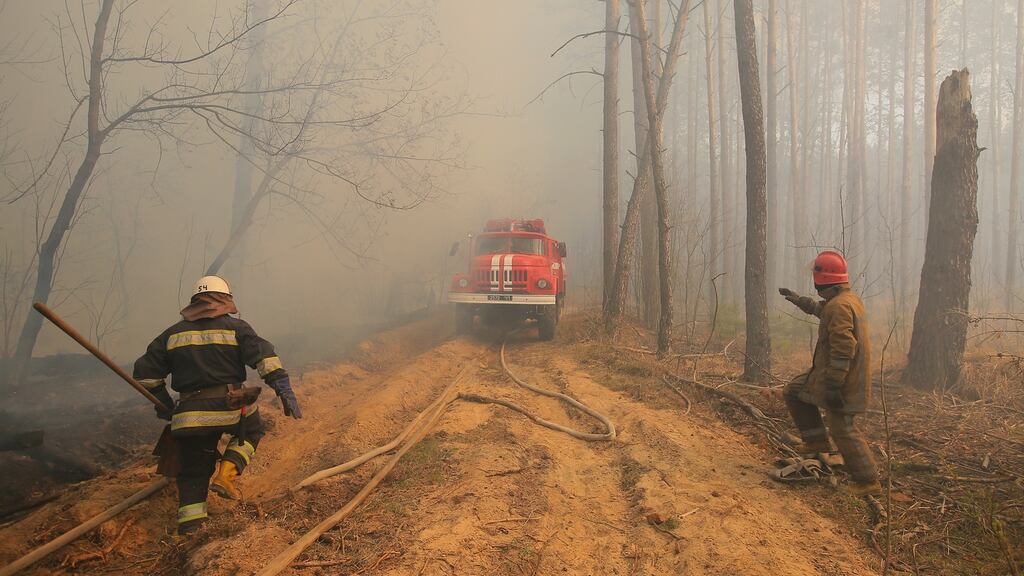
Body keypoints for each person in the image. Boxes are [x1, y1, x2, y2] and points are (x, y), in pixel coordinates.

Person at [133, 275, 302, 534]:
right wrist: (282, 386)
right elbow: (264, 357)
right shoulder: (236, 328)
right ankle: (227, 473)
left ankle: (191, 529)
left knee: (193, 472)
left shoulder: (171, 334)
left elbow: (145, 375)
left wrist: (165, 404)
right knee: (252, 430)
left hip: (189, 416)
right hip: (229, 408)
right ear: (225, 300)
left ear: (195, 302)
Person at [778, 251, 881, 496]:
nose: (816, 292)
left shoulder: (840, 306)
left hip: (843, 378)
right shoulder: (844, 300)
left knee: (842, 427)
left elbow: (844, 347)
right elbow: (821, 310)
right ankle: (816, 440)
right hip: (832, 373)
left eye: (817, 287)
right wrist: (798, 300)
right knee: (794, 390)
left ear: (824, 283)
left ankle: (868, 481)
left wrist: (834, 384)